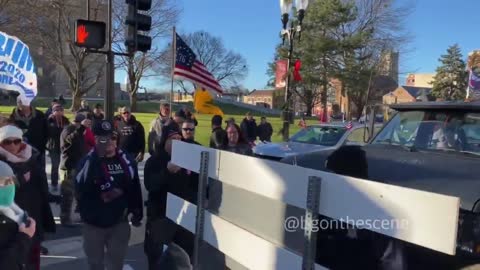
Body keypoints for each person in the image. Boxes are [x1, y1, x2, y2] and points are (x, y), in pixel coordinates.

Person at [76, 120, 143, 270]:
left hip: (119, 223)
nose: (110, 142)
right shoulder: (88, 160)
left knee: (116, 264)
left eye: (113, 137)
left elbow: (134, 186)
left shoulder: (126, 160)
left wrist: (137, 211)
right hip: (94, 224)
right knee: (95, 264)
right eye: (103, 138)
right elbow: (80, 186)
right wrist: (96, 158)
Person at [144, 123, 199, 270]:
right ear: (165, 141)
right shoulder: (154, 161)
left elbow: (195, 186)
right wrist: (167, 171)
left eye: (179, 138)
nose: (177, 142)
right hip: (161, 217)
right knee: (158, 259)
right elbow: (151, 185)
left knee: (184, 258)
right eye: (173, 139)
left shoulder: (186, 160)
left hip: (183, 218)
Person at [0, 125, 55, 270]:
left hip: (33, 213)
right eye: (7, 142)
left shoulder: (33, 156)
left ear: (22, 142)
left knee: (32, 260)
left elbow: (42, 184)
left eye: (16, 141)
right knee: (11, 259)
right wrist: (19, 180)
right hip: (8, 221)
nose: (12, 145)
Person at [0, 160, 37, 270]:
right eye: (3, 183)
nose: (9, 186)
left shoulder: (13, 212)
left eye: (11, 181)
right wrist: (24, 238)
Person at [59, 113, 90, 226]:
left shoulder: (79, 132)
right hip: (69, 167)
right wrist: (81, 128)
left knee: (79, 192)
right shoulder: (69, 130)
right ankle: (65, 218)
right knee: (67, 194)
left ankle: (81, 213)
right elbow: (69, 141)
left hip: (78, 166)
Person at [10, 97, 48, 174]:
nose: (21, 104)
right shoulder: (13, 117)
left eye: (23, 101)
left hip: (38, 149)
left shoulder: (39, 115)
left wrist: (44, 144)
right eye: (19, 102)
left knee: (39, 172)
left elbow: (46, 131)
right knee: (23, 173)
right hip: (20, 151)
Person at [46, 104, 70, 191]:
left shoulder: (66, 120)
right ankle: (54, 183)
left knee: (65, 166)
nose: (59, 112)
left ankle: (66, 183)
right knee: (55, 165)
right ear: (53, 112)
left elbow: (69, 132)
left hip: (64, 146)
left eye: (60, 110)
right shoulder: (50, 120)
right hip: (53, 146)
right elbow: (48, 132)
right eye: (56, 110)